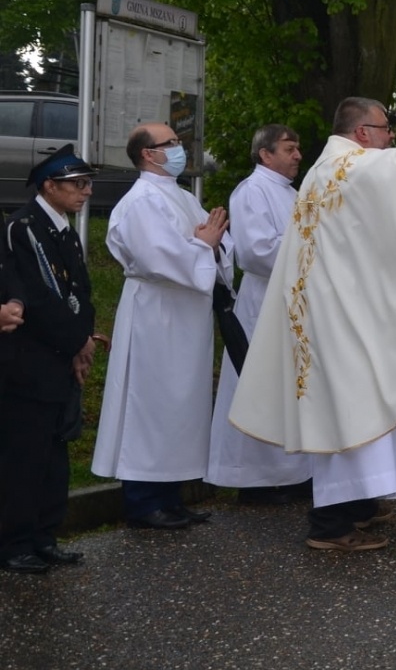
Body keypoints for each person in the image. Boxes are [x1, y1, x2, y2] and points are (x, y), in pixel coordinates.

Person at [230, 64, 396, 552]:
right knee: (347, 411)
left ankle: (360, 506)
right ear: (363, 131)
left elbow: (369, 236)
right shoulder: (354, 166)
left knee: (353, 407)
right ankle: (330, 526)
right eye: (387, 128)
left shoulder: (326, 171)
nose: (391, 137)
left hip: (333, 311)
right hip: (341, 318)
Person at [93, 123, 230, 530]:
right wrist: (202, 245)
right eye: (169, 143)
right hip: (155, 312)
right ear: (148, 154)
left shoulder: (183, 196)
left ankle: (170, 496)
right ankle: (142, 501)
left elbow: (214, 241)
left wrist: (216, 242)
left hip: (186, 314)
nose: (179, 148)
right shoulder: (140, 203)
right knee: (150, 403)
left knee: (180, 405)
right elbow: (157, 258)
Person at [1, 147, 98, 573]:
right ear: (49, 186)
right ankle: (14, 542)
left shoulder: (63, 231)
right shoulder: (23, 229)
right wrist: (75, 339)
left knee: (55, 455)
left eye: (86, 183)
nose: (86, 191)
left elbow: (82, 290)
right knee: (24, 457)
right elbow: (36, 299)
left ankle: (45, 535)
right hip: (30, 361)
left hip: (60, 357)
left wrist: (83, 339)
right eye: (76, 184)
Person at [206, 124, 312, 505]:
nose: (297, 155)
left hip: (293, 300)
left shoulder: (293, 192)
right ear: (265, 154)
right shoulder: (252, 191)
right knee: (260, 387)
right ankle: (254, 480)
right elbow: (255, 251)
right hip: (265, 300)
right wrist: (312, 249)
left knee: (290, 387)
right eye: (289, 148)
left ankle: (294, 474)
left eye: (298, 148)